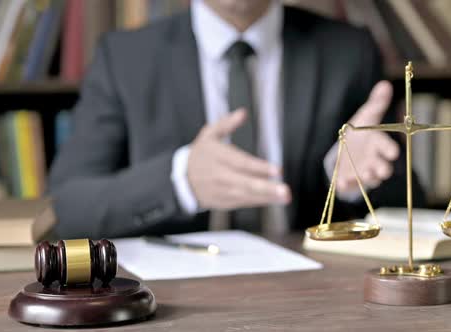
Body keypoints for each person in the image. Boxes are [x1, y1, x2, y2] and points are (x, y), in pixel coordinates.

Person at [49, 0, 424, 239]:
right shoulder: (125, 58)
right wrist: (181, 181)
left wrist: (354, 179)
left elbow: (415, 209)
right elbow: (71, 207)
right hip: (170, 297)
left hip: (312, 294)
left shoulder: (348, 50)